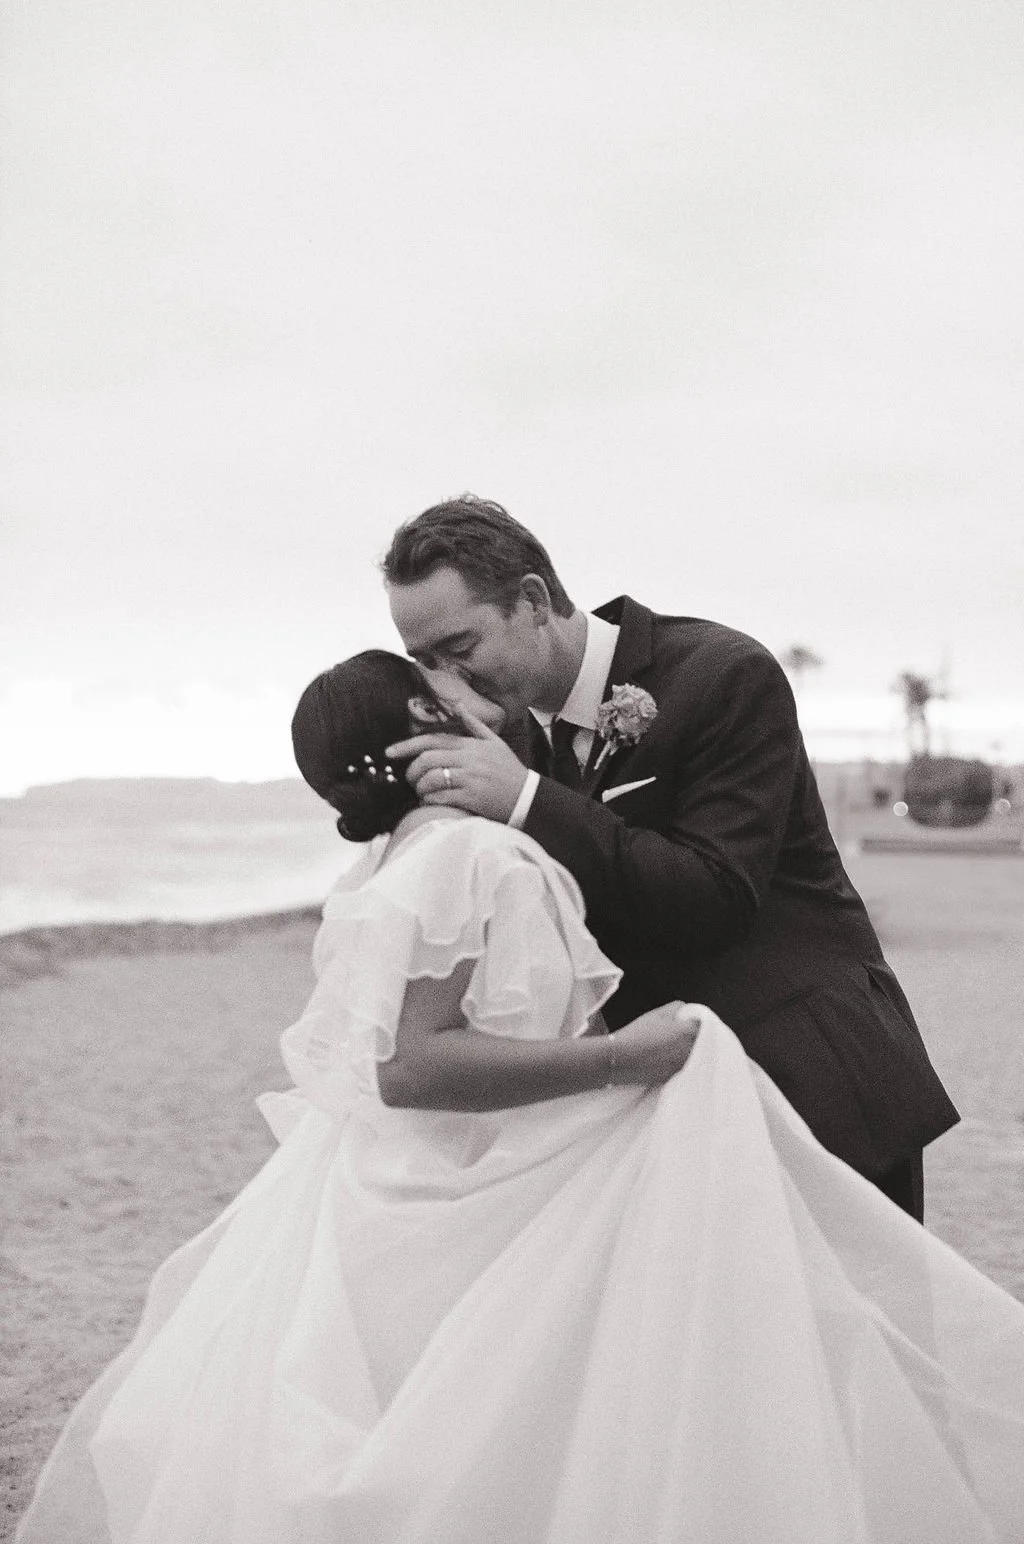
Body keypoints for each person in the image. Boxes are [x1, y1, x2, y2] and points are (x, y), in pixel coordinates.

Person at [16, 648, 1024, 1544]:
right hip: (480, 1180)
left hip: (416, 1180)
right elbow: (410, 1066)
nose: (461, 679)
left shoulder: (403, 854)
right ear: (427, 717)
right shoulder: (474, 854)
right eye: (435, 672)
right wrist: (623, 1058)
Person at [383, 495, 959, 1220]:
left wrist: (528, 799)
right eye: (426, 661)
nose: (446, 678)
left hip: (811, 1090)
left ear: (532, 600)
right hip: (665, 1115)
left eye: (460, 648)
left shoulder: (724, 675)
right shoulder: (510, 740)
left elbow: (717, 896)